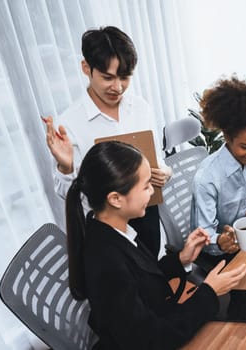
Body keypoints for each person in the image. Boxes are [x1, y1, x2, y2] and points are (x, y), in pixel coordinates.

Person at [66, 141, 246, 349]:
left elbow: (141, 279)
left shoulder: (113, 229)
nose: (152, 191)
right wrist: (209, 292)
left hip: (159, 317)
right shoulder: (105, 262)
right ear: (115, 199)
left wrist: (181, 259)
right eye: (145, 186)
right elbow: (151, 339)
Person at [43, 26, 171, 258]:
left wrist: (164, 171)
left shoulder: (141, 108)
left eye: (125, 77)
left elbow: (157, 158)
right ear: (86, 68)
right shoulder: (69, 123)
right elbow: (66, 193)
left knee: (155, 279)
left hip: (147, 214)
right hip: (108, 231)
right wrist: (65, 167)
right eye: (107, 77)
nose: (118, 87)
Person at [190, 77, 246, 267]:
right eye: (245, 146)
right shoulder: (207, 178)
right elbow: (204, 235)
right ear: (227, 137)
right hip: (217, 255)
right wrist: (220, 242)